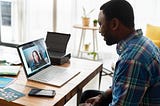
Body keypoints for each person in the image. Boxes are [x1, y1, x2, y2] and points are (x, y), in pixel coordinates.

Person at [79, 0, 160, 106]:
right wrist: (102, 96)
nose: (99, 30)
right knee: (88, 95)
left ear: (114, 24)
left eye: (101, 24)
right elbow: (123, 83)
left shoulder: (132, 60)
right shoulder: (143, 42)